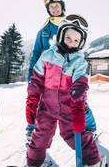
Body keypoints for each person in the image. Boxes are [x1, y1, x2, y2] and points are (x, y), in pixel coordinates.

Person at [25, 15, 103, 167]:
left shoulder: (79, 62)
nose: (71, 43)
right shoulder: (47, 55)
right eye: (68, 38)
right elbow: (36, 80)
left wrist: (78, 108)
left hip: (69, 109)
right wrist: (32, 100)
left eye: (76, 40)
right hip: (47, 107)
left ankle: (94, 162)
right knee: (40, 136)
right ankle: (33, 163)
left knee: (76, 137)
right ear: (60, 35)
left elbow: (80, 86)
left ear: (81, 43)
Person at [26, 0, 96, 140]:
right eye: (51, 7)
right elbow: (37, 52)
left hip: (69, 72)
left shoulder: (70, 23)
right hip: (47, 74)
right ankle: (31, 130)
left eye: (57, 5)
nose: (54, 9)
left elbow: (78, 48)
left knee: (78, 100)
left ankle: (89, 128)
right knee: (38, 103)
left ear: (62, 7)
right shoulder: (44, 30)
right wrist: (32, 73)